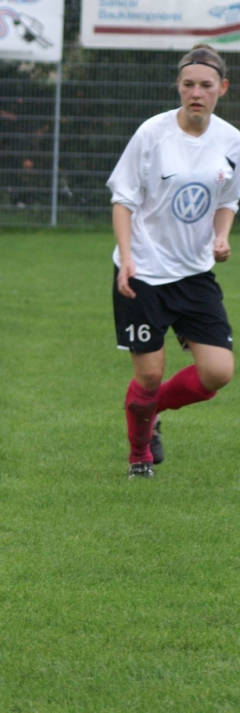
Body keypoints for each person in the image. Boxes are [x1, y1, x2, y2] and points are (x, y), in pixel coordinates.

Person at [109, 44, 237, 479]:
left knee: (218, 372)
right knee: (148, 375)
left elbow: (228, 199)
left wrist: (221, 236)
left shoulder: (232, 141)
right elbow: (123, 200)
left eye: (205, 85)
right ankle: (139, 454)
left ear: (222, 87)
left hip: (195, 271)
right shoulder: (152, 134)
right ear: (178, 87)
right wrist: (126, 259)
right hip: (143, 271)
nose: (196, 93)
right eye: (188, 84)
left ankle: (149, 410)